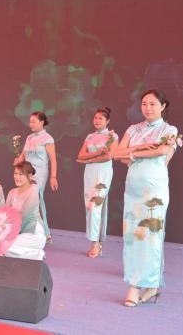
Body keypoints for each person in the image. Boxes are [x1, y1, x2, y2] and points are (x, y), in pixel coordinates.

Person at [114, 89, 179, 307]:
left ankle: (136, 286)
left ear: (163, 106)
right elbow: (116, 153)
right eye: (144, 104)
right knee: (133, 235)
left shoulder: (169, 130)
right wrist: (139, 147)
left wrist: (132, 154)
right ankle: (151, 286)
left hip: (154, 190)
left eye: (152, 104)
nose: (148, 108)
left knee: (151, 235)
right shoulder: (133, 129)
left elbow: (160, 152)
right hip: (133, 188)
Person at [76, 107, 119, 258]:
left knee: (94, 205)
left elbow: (108, 157)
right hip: (89, 173)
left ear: (107, 121)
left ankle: (95, 242)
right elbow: (80, 155)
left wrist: (89, 159)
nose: (97, 120)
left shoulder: (112, 136)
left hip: (103, 173)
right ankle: (97, 241)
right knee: (90, 206)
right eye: (95, 118)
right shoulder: (89, 136)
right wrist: (97, 153)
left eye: (101, 118)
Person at [14, 111, 58, 241]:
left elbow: (53, 159)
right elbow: (23, 155)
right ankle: (26, 228)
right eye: (30, 121)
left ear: (42, 122)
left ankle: (46, 232)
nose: (31, 124)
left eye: (33, 121)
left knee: (36, 199)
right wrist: (18, 161)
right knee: (25, 199)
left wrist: (53, 177)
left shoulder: (48, 138)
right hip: (26, 172)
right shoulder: (29, 138)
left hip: (39, 173)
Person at [5, 161, 46, 260]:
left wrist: (9, 235)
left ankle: (37, 254)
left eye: (21, 174)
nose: (17, 177)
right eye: (15, 174)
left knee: (4, 246)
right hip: (18, 232)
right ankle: (33, 253)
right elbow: (6, 215)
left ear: (30, 175)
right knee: (0, 245)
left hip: (33, 233)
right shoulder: (12, 192)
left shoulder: (33, 191)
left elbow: (25, 218)